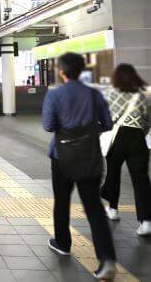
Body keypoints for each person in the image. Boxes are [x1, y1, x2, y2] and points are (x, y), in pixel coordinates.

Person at [42, 52, 116, 280]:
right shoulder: (94, 94)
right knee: (94, 208)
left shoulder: (55, 95)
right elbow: (108, 123)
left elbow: (48, 125)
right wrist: (87, 133)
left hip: (61, 156)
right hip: (89, 156)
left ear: (61, 71)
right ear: (82, 70)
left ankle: (63, 243)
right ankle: (106, 260)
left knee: (62, 201)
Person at [100, 64, 151, 235]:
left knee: (113, 174)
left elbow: (105, 117)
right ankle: (146, 221)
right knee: (141, 180)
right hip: (137, 138)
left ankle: (113, 209)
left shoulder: (110, 93)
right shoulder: (144, 94)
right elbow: (148, 119)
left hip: (117, 137)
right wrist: (140, 133)